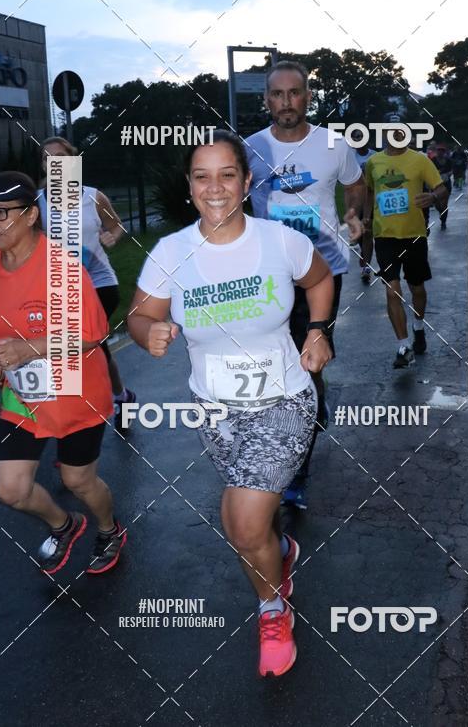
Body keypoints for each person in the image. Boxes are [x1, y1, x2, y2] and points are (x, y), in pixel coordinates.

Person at [128, 130, 334, 677]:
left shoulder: (278, 240)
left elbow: (321, 279)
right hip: (214, 412)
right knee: (251, 524)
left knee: (241, 525)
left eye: (226, 175)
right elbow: (138, 315)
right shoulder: (172, 251)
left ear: (246, 182)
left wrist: (317, 330)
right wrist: (147, 329)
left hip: (284, 401)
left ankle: (272, 611)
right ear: (190, 186)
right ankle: (281, 553)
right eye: (202, 176)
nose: (214, 187)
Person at [0, 172, 126, 573]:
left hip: (75, 390)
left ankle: (109, 529)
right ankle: (64, 524)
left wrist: (29, 348)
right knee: (10, 490)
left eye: (1, 213)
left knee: (79, 481)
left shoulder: (61, 266)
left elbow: (93, 336)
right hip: (22, 396)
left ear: (29, 215)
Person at [245, 60, 364, 509]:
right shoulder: (251, 148)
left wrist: (354, 215)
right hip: (269, 274)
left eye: (295, 93)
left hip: (322, 271)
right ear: (267, 100)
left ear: (308, 97)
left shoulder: (333, 144)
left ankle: (298, 467)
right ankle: (311, 404)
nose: (286, 102)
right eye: (278, 94)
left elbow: (355, 184)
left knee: (307, 362)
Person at [38, 136, 135, 427]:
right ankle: (121, 396)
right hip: (61, 288)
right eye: (47, 158)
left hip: (100, 283)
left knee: (83, 345)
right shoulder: (37, 203)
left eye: (60, 156)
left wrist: (112, 236)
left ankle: (77, 420)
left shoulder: (93, 196)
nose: (54, 162)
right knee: (91, 348)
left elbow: (117, 225)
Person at [364, 129, 448, 368]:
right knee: (392, 290)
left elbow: (442, 188)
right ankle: (403, 346)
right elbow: (369, 190)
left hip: (414, 235)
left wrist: (432, 197)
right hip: (385, 236)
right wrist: (366, 217)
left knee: (417, 288)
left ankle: (418, 326)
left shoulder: (420, 160)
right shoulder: (373, 162)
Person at [349, 129, 376, 284]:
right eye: (355, 137)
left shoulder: (374, 156)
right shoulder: (349, 156)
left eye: (360, 136)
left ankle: (366, 266)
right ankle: (364, 254)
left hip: (370, 198)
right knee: (358, 233)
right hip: (354, 200)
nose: (358, 139)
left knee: (367, 232)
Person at [432, 145, 453, 230]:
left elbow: (452, 170)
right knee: (437, 204)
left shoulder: (448, 160)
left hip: (446, 184)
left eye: (442, 151)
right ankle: (441, 213)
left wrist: (448, 174)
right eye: (438, 151)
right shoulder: (432, 160)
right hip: (435, 184)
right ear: (436, 152)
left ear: (444, 152)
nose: (440, 152)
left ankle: (443, 221)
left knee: (444, 204)